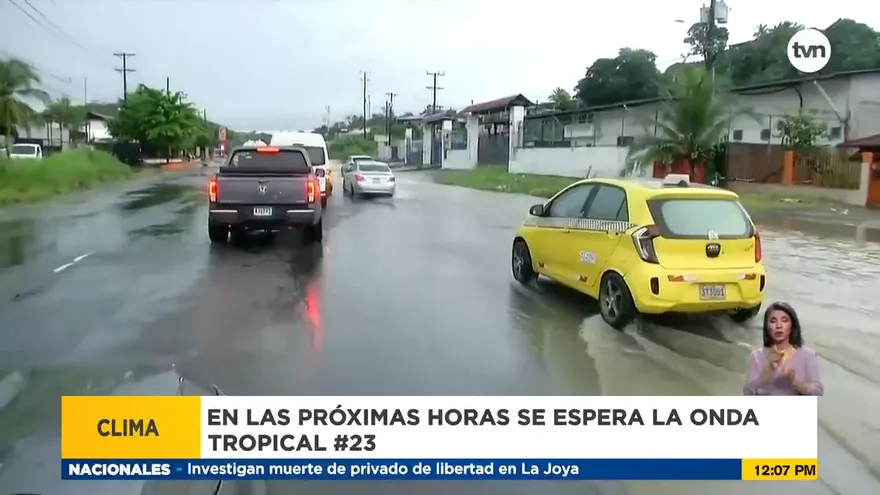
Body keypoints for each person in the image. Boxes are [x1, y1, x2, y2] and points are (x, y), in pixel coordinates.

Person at [743, 302, 823, 395]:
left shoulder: (808, 356)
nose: (779, 326)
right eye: (773, 321)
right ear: (767, 326)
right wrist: (768, 370)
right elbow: (748, 392)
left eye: (784, 320)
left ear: (792, 325)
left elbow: (818, 391)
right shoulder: (757, 356)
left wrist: (794, 381)